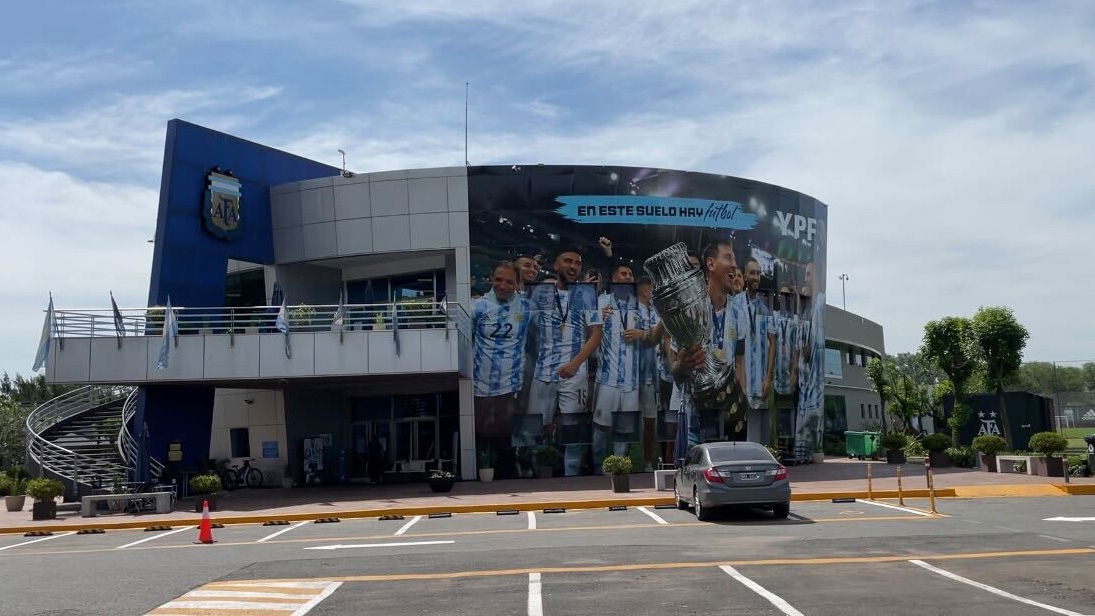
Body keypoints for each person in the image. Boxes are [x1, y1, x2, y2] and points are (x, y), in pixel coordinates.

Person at [526, 248, 603, 476]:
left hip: (574, 375)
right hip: (543, 373)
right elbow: (527, 330)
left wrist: (575, 364)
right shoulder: (540, 293)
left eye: (577, 263)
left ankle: (570, 484)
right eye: (567, 261)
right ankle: (540, 482)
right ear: (556, 266)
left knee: (573, 436)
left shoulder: (588, 294)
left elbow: (596, 335)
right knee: (534, 433)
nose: (573, 266)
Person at [471, 262, 531, 477]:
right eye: (499, 280)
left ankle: (509, 479)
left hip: (511, 387)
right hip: (480, 387)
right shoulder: (477, 307)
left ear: (517, 284)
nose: (503, 285)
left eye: (509, 281)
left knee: (505, 440)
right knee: (483, 437)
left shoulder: (526, 308)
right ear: (491, 279)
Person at [593, 264, 644, 471]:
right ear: (613, 278)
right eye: (624, 273)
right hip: (607, 380)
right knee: (600, 430)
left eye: (631, 274)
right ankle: (596, 470)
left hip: (631, 383)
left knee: (623, 432)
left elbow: (652, 336)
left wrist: (642, 334)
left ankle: (618, 471)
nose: (628, 277)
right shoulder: (600, 303)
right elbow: (589, 337)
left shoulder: (639, 306)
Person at [734, 257, 776, 444]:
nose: (756, 277)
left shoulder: (764, 308)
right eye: (752, 273)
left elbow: (773, 342)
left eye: (758, 273)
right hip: (741, 378)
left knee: (758, 434)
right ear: (744, 275)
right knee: (740, 429)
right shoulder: (735, 304)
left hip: (759, 379)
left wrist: (768, 377)